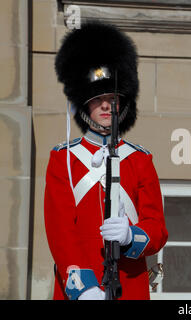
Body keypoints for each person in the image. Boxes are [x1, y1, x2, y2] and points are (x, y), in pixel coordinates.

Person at [44, 22, 168, 300]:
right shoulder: (63, 159)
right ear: (83, 103)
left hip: (130, 285)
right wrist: (84, 286)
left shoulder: (140, 159)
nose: (106, 105)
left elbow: (157, 228)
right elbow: (60, 231)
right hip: (80, 287)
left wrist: (131, 236)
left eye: (113, 98)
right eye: (97, 98)